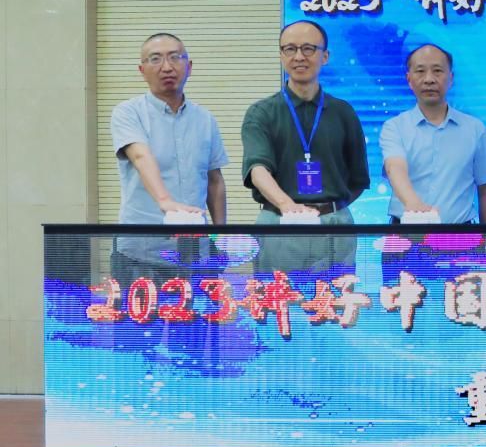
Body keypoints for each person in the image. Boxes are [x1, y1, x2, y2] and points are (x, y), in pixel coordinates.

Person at [241, 20, 369, 274]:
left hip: (334, 226)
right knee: (278, 298)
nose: (299, 56)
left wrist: (328, 209)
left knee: (336, 298)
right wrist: (287, 205)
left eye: (308, 48)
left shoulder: (343, 112)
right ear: (281, 55)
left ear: (325, 56)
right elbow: (257, 170)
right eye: (290, 49)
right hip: (279, 222)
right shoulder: (261, 113)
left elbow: (357, 179)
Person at [109, 32, 228, 285]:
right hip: (140, 253)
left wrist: (219, 237)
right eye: (155, 59)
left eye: (175, 58)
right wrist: (166, 202)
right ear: (142, 70)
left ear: (189, 67)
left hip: (195, 254)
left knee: (201, 314)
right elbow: (140, 156)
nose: (166, 67)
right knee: (137, 314)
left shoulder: (205, 119)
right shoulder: (128, 112)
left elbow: (214, 181)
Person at [380, 43, 486, 225]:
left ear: (451, 78)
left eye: (437, 71)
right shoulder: (394, 127)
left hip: (460, 235)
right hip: (406, 233)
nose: (429, 79)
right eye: (420, 71)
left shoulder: (474, 129)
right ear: (409, 79)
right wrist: (414, 204)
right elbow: (395, 167)